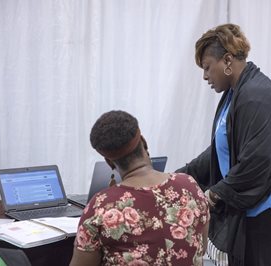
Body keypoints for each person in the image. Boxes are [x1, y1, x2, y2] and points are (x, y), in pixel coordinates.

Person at [176, 24, 271, 266]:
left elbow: (255, 163)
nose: (205, 76)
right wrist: (178, 177)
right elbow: (220, 149)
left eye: (207, 68)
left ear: (227, 60)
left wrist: (214, 194)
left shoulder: (255, 95)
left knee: (254, 259)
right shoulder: (235, 92)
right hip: (261, 182)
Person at [70, 110, 210, 266]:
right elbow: (201, 248)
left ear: (109, 163)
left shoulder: (100, 207)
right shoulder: (189, 186)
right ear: (143, 141)